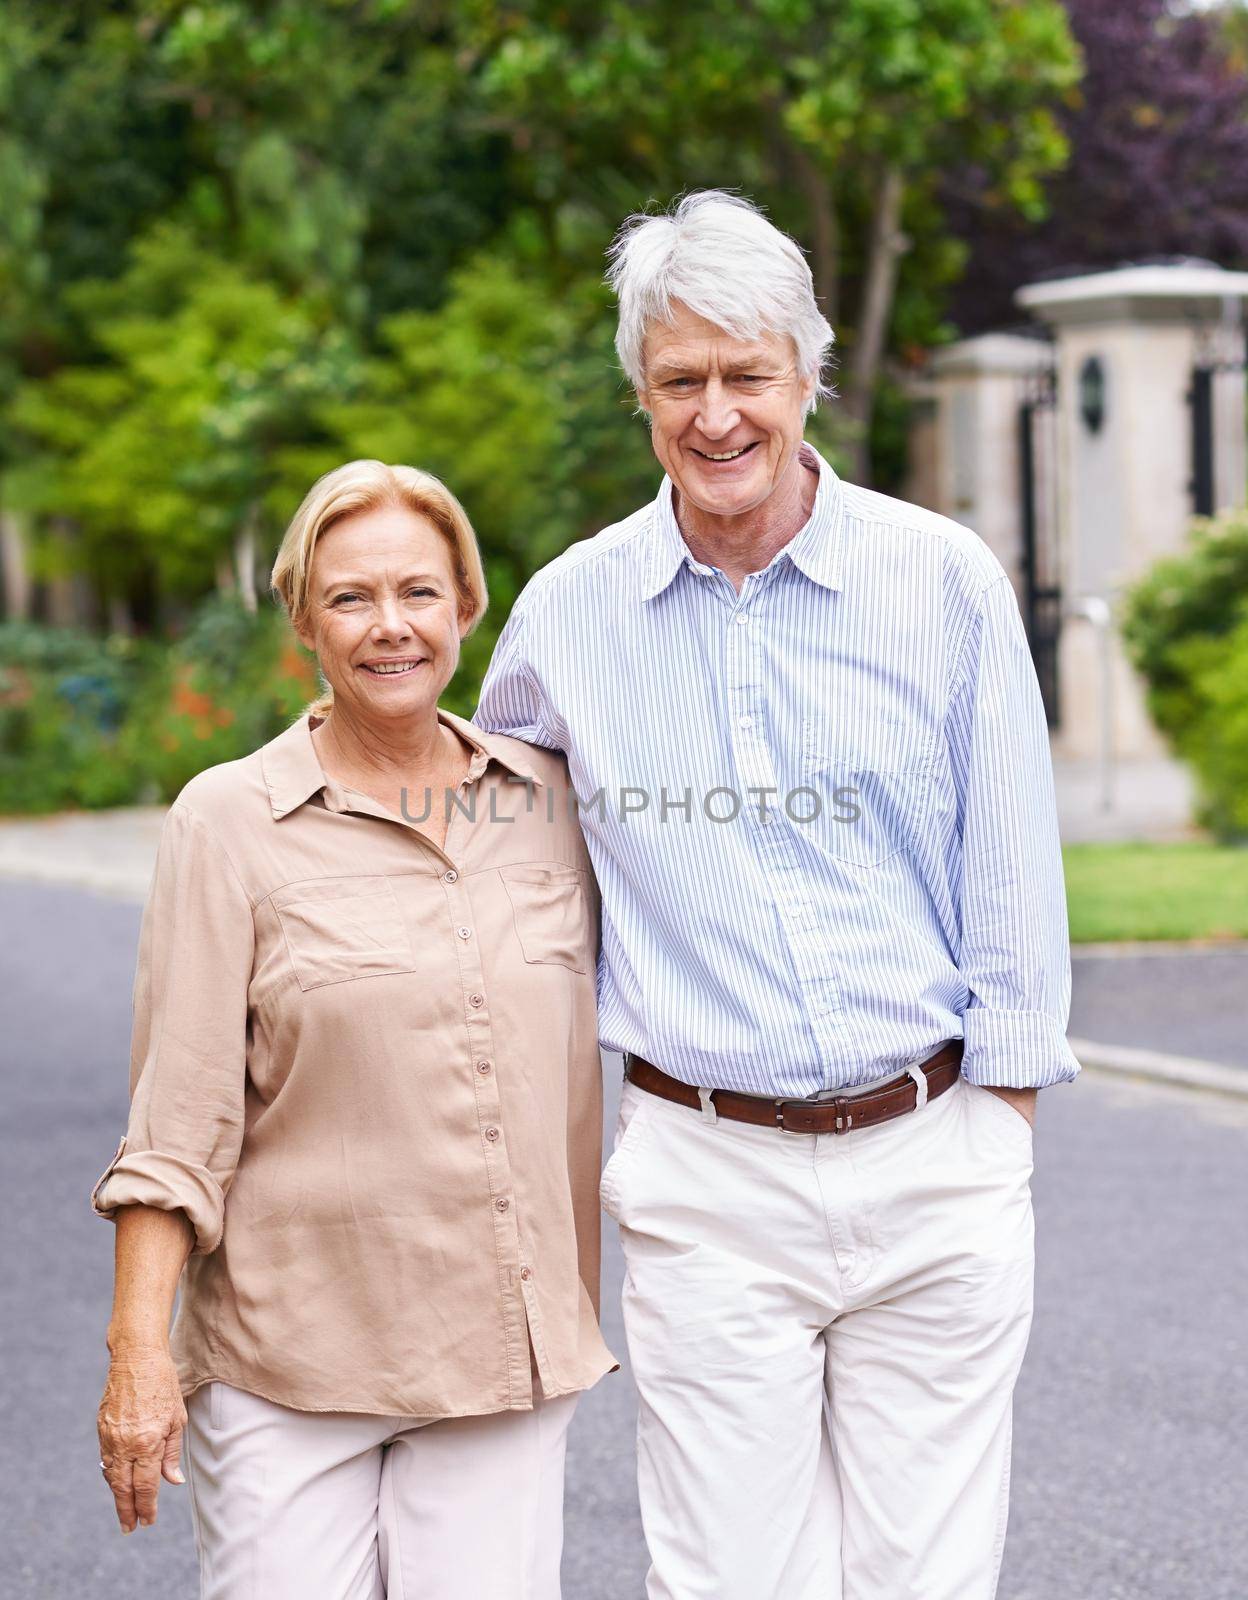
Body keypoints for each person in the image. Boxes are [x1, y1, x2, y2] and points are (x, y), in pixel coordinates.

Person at [475, 191, 1080, 1600]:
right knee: (726, 1581)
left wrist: (995, 1128)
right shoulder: (567, 615)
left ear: (808, 374)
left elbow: (1010, 870)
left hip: (936, 1154)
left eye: (748, 375)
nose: (717, 414)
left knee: (922, 1580)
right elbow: (489, 851)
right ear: (640, 393)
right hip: (706, 1172)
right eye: (680, 380)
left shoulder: (939, 582)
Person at [92, 459, 613, 1600]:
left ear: (468, 607)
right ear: (304, 624)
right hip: (287, 1366)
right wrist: (139, 1354)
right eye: (351, 598)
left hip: (501, 1361)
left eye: (420, 593)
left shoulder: (547, 802)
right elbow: (174, 1125)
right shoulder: (228, 821)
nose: (392, 627)